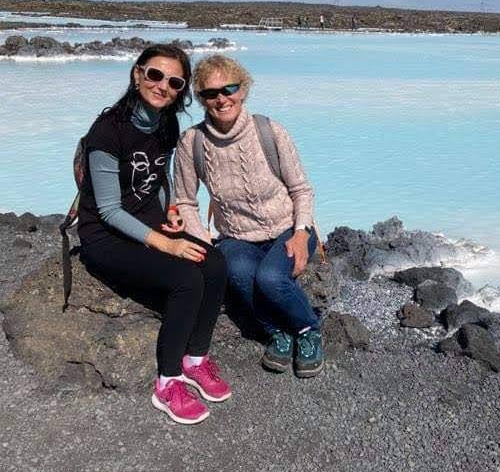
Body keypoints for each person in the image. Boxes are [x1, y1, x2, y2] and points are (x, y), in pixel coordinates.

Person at [77, 44, 230, 425]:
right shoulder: (107, 131)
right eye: (155, 75)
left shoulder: (166, 124)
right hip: (105, 235)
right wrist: (166, 244)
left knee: (215, 263)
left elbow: (159, 176)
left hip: (149, 221)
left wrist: (171, 211)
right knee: (185, 278)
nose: (163, 86)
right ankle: (168, 382)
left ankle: (195, 358)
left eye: (175, 82)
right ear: (137, 74)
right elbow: (109, 210)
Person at [173, 54, 323, 378]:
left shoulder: (270, 131)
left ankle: (308, 329)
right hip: (236, 237)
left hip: (287, 227)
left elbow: (301, 190)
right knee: (239, 272)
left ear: (243, 90)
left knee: (270, 278)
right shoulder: (192, 143)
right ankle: (277, 332)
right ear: (201, 98)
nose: (222, 99)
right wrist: (203, 242)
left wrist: (301, 233)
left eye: (229, 88)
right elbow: (184, 201)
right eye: (210, 93)